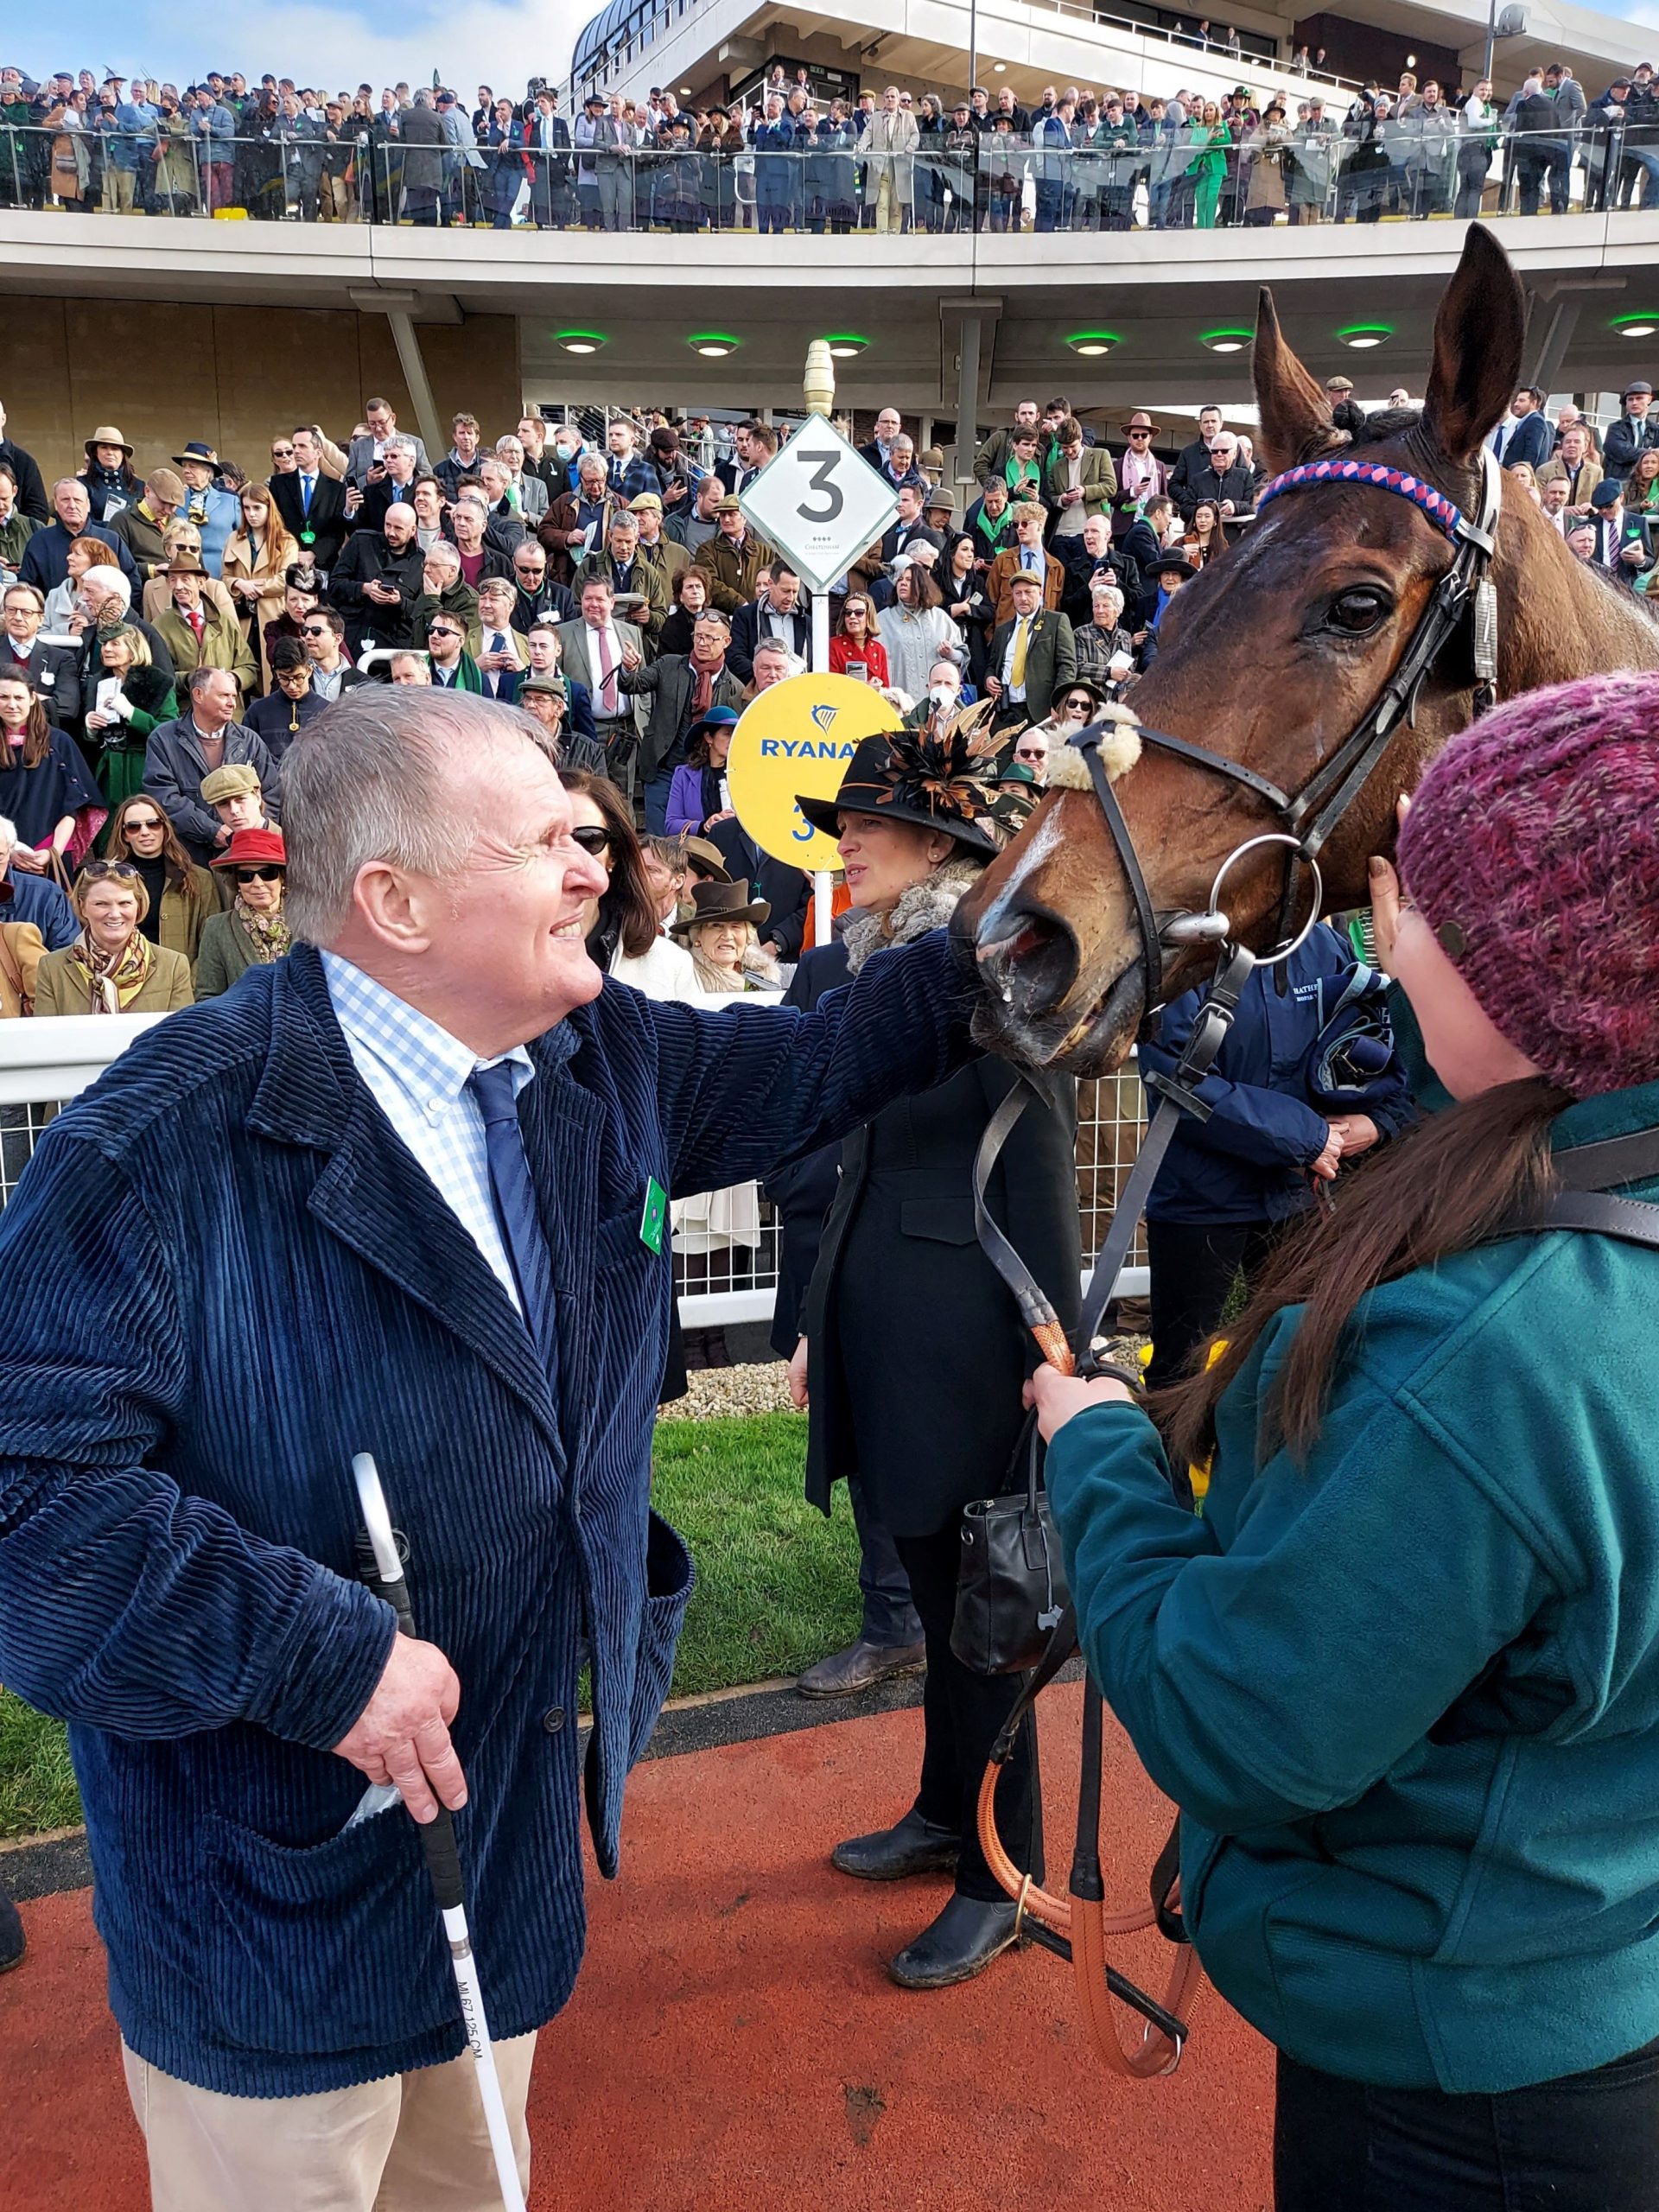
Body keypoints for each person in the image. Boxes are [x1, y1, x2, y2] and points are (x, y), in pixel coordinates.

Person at [0, 687, 986, 2207]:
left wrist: (1038, 918)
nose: (599, 862)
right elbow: (28, 1515)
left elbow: (828, 1060)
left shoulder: (607, 1065)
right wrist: (317, 1659)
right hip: (271, 1921)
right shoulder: (160, 1140)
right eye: (546, 842)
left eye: (584, 835)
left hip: (504, 1859)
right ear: (392, 902)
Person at [1035, 682, 1659, 2211]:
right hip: (1587, 1964)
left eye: (1423, 900)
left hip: (1463, 2085)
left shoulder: (1497, 1350)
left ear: (1541, 975)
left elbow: (1246, 1726)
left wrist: (1099, 1451)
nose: (1386, 921)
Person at [789, 721, 1071, 1987]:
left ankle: (1000, 1875)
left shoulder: (1002, 968)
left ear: (943, 842)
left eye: (862, 821)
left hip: (969, 1349)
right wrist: (813, 1322)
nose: (839, 837)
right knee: (939, 1598)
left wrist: (1051, 1351)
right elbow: (852, 1169)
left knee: (984, 1624)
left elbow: (1045, 1172)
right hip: (881, 1332)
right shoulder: (870, 963)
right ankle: (947, 1813)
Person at [561, 769, 700, 1000]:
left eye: (588, 839)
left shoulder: (669, 965)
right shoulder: (497, 960)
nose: (568, 852)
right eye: (546, 837)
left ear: (613, 855)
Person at [143, 668, 280, 868]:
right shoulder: (163, 739)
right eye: (224, 696)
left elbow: (273, 793)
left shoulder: (250, 740)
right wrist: (212, 831)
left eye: (234, 696)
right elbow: (164, 798)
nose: (232, 703)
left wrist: (252, 832)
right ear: (198, 695)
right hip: (189, 859)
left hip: (248, 858)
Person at [33, 857, 194, 1015]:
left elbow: (180, 1037)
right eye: (101, 904)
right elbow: (46, 1039)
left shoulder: (173, 966)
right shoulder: (51, 967)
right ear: (82, 907)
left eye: (125, 903)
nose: (114, 914)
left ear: (138, 906)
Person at [0, 671, 103, 869]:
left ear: (32, 698)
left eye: (18, 697)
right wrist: (7, 850)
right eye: (3, 697)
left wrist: (53, 851)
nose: (11, 705)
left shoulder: (59, 742)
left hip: (51, 853)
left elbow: (74, 805)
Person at [101, 792, 216, 969]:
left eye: (153, 824)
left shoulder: (199, 879)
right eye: (134, 827)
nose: (145, 832)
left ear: (164, 828)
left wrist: (188, 986)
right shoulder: (107, 881)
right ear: (124, 834)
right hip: (122, 982)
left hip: (179, 984)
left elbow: (210, 945)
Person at [84, 625, 176, 812]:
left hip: (143, 771)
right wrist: (90, 730)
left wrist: (132, 713)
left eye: (115, 644)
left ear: (133, 650)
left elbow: (170, 733)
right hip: (108, 774)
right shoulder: (97, 682)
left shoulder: (158, 682)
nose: (106, 649)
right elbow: (90, 743)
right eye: (104, 644)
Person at [195, 826, 291, 999]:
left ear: (282, 877)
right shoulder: (216, 928)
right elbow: (207, 997)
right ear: (236, 882)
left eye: (267, 874)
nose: (257, 883)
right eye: (246, 876)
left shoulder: (309, 925)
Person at [221, 484, 300, 691]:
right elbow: (226, 576)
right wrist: (239, 584)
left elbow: (286, 580)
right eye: (246, 508)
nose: (252, 514)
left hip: (272, 613)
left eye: (257, 508)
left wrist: (255, 586)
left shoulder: (286, 541)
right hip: (241, 615)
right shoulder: (233, 538)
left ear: (268, 508)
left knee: (273, 669)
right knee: (240, 667)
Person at [878, 563, 963, 701]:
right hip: (899, 704)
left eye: (909, 580)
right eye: (900, 580)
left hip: (937, 705)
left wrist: (950, 654)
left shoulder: (939, 617)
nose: (903, 583)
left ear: (922, 584)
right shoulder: (883, 619)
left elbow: (962, 657)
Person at [664, 705, 740, 836]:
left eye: (735, 734)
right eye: (727, 734)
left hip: (734, 849)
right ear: (709, 737)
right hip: (698, 851)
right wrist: (704, 825)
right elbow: (671, 825)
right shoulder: (684, 775)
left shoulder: (743, 774)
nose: (732, 739)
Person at [830, 594, 890, 684]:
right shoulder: (833, 645)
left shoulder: (878, 649)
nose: (852, 616)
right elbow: (832, 685)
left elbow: (885, 688)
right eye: (848, 612)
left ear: (869, 616)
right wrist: (866, 688)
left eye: (859, 613)